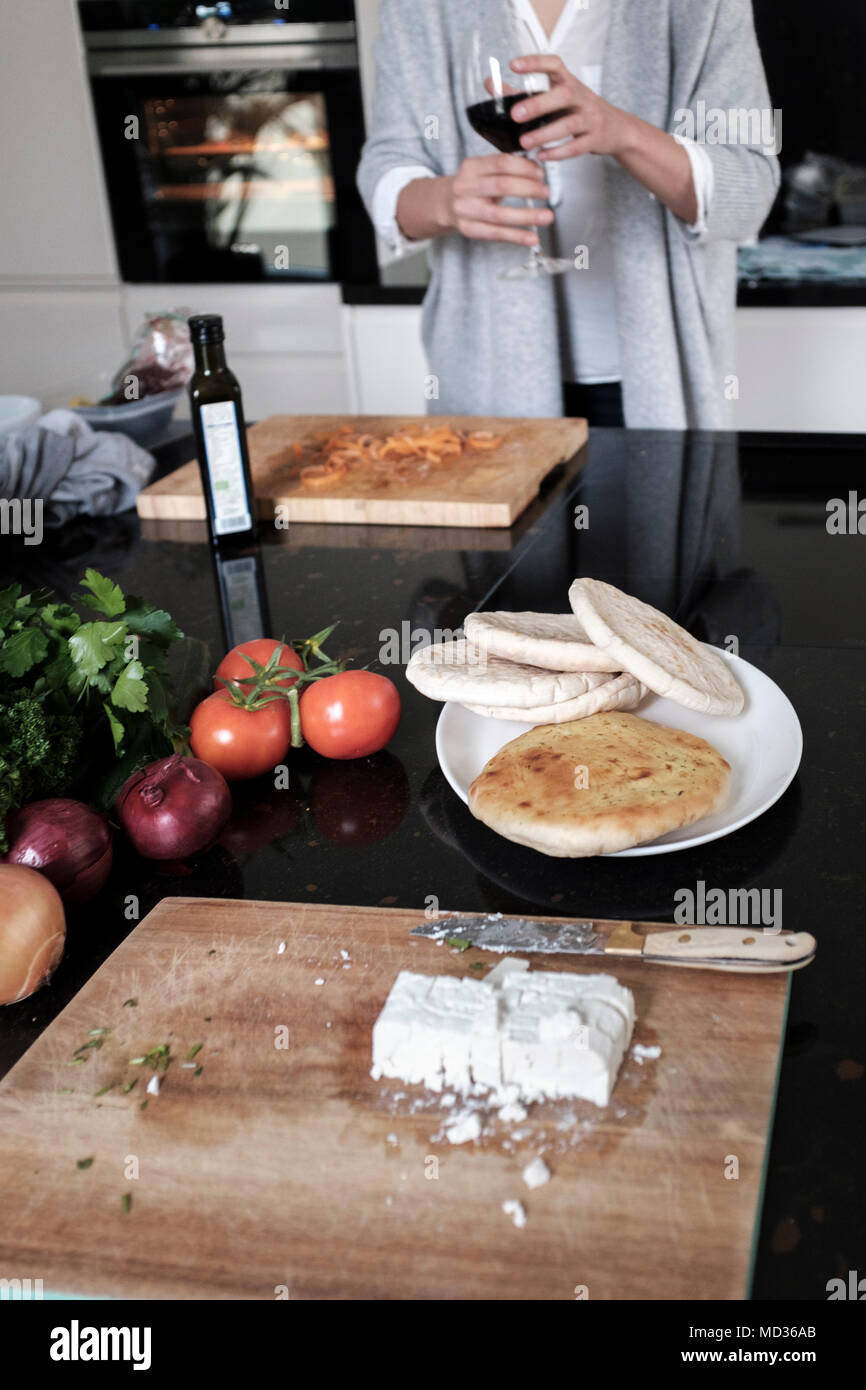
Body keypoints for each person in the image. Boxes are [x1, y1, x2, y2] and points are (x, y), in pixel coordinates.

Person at [357, 0, 780, 427]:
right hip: (486, 379)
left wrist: (623, 133)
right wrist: (446, 201)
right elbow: (387, 170)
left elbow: (748, 192)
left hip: (665, 384)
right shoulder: (420, 7)